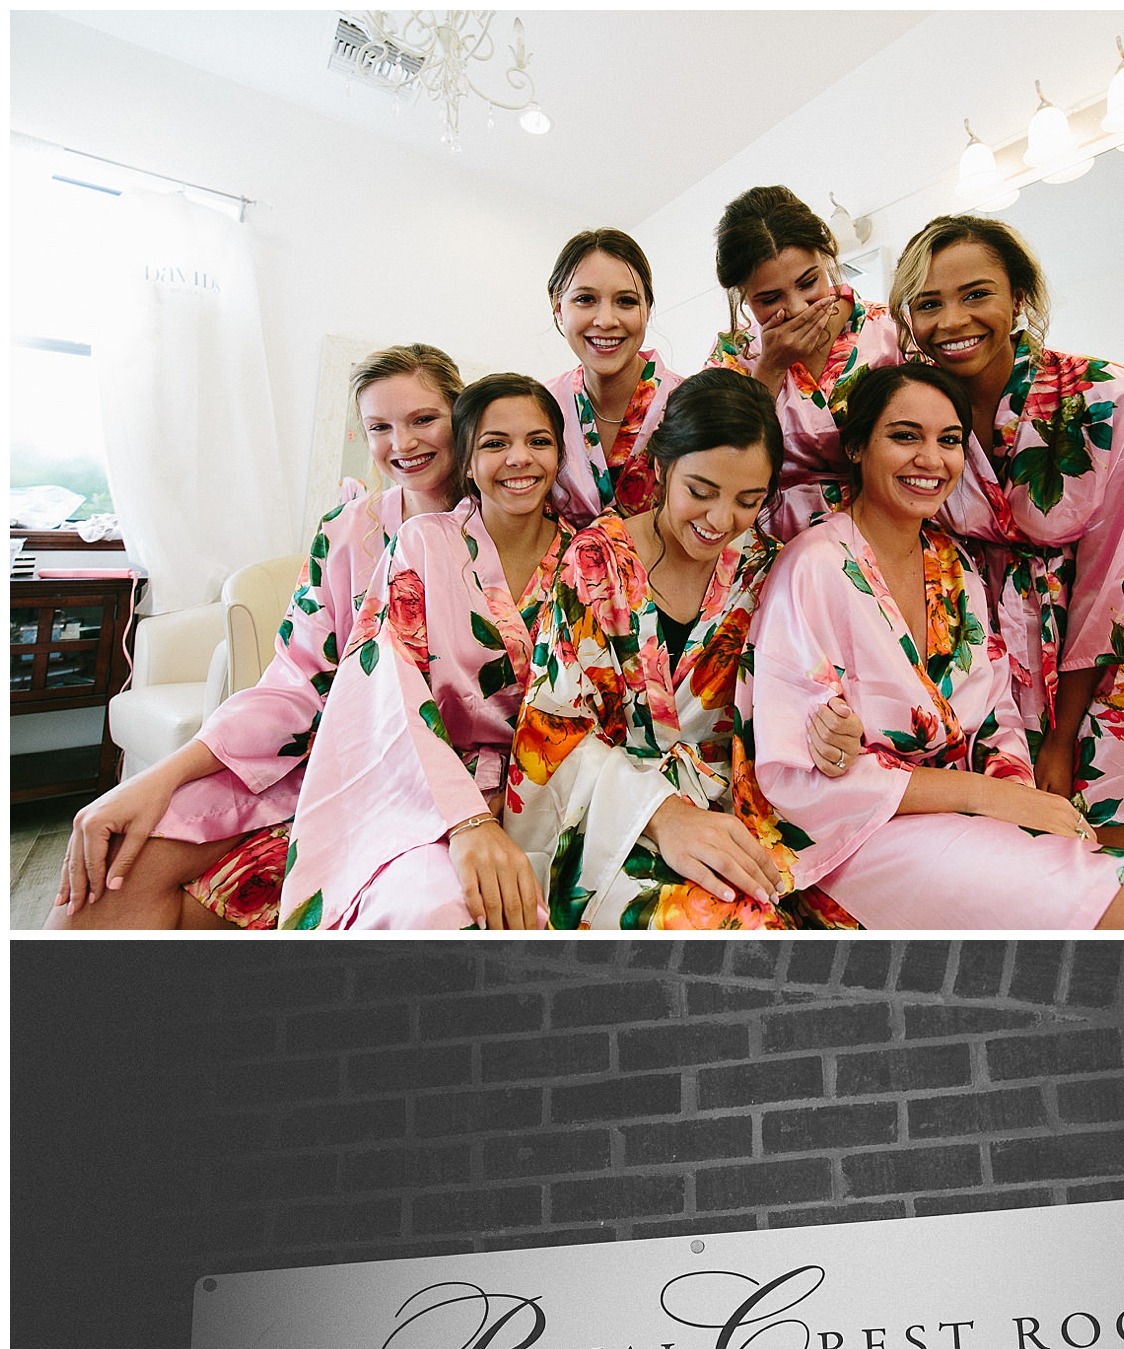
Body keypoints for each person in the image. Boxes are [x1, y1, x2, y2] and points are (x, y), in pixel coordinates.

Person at [737, 361, 1124, 930]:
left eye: (949, 440)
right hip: (859, 836)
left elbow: (998, 716)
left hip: (966, 817)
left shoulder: (954, 567)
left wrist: (1014, 797)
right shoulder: (812, 566)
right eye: (904, 436)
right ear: (856, 447)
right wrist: (987, 800)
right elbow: (796, 772)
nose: (931, 459)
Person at [48, 343, 466, 929]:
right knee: (119, 856)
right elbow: (294, 683)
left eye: (424, 419)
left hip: (431, 776)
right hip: (314, 760)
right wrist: (158, 777)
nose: (403, 443)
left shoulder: (504, 527)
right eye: (380, 427)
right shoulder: (346, 533)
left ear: (462, 415)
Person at [889, 214, 1124, 854]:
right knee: (1018, 867)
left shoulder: (1101, 396)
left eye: (976, 294)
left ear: (1019, 297)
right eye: (929, 304)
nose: (952, 321)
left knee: (1111, 869)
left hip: (1107, 661)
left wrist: (1063, 739)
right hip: (982, 663)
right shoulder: (920, 410)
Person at [506, 369, 857, 929]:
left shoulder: (766, 570)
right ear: (661, 468)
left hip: (743, 813)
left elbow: (800, 698)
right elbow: (552, 735)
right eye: (701, 491)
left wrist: (832, 729)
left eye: (748, 500)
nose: (721, 521)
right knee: (738, 928)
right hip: (615, 821)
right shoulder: (598, 564)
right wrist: (662, 815)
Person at [280, 375, 571, 930]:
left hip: (549, 790)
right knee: (433, 909)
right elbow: (389, 686)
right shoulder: (421, 545)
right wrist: (465, 821)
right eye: (493, 443)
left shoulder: (589, 556)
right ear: (466, 462)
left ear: (559, 456)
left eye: (539, 441)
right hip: (430, 791)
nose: (519, 458)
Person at [706, 185, 901, 540]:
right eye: (769, 298)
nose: (797, 307)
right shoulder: (734, 355)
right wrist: (770, 368)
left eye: (809, 282)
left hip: (889, 529)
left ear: (825, 256)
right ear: (744, 298)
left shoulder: (891, 331)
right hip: (779, 545)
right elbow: (719, 463)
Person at [543, 229, 682, 528]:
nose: (606, 320)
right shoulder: (539, 406)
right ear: (558, 308)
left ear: (647, 310)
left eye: (626, 302)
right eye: (585, 299)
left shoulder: (690, 403)